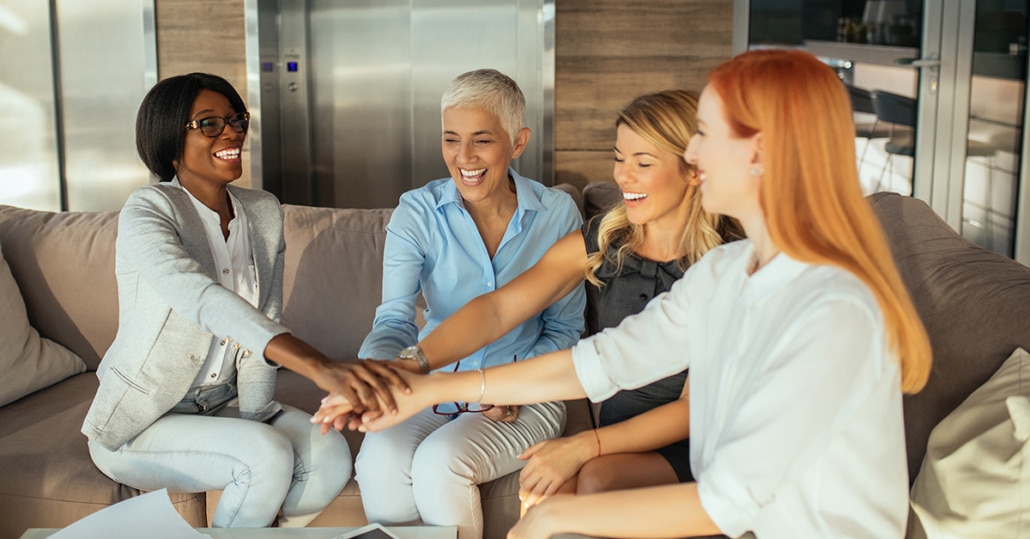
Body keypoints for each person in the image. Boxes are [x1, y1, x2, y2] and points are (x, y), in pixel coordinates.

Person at [318, 49, 933, 538]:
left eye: (705, 134)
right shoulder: (730, 274)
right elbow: (603, 362)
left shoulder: (834, 309)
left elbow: (732, 499)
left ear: (761, 153)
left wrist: (557, 517)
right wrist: (420, 387)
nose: (693, 155)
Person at [365, 90, 740, 509]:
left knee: (593, 482)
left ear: (694, 169)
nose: (623, 177)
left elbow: (692, 407)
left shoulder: (727, 265)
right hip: (617, 433)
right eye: (619, 158)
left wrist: (585, 445)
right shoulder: (608, 237)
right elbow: (498, 309)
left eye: (643, 163)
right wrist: (409, 366)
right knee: (545, 501)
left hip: (698, 435)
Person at [81, 72, 407, 528]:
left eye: (236, 119)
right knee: (265, 457)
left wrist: (255, 415)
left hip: (221, 403)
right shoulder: (148, 209)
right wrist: (318, 365)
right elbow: (201, 298)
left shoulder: (261, 210)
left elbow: (263, 317)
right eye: (209, 123)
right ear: (171, 140)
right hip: (144, 421)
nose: (231, 132)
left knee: (328, 454)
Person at [351, 68, 586, 539]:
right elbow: (395, 319)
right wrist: (382, 376)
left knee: (440, 465)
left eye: (482, 140)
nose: (464, 158)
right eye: (451, 140)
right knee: (379, 459)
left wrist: (509, 387)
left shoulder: (557, 214)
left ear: (518, 142)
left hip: (525, 394)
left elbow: (565, 332)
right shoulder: (417, 211)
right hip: (433, 387)